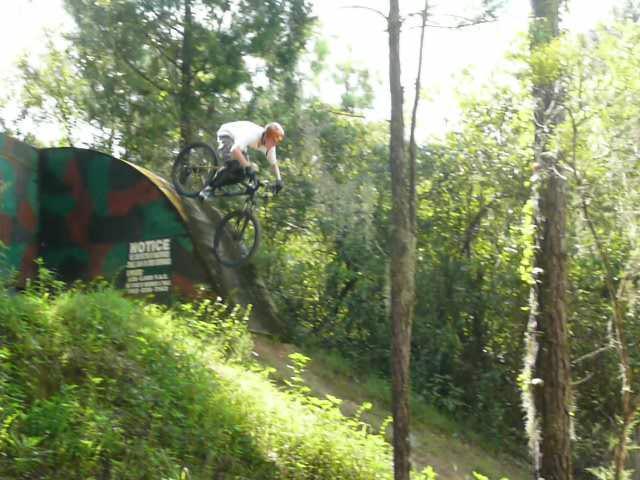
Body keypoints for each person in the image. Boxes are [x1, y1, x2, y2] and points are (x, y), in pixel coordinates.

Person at [199, 120, 285, 199]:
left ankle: (220, 181)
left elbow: (274, 164)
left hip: (238, 143)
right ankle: (208, 188)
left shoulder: (270, 146)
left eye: (276, 142)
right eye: (273, 141)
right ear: (266, 136)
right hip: (228, 134)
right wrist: (247, 167)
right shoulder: (253, 135)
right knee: (237, 165)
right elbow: (234, 150)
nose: (274, 144)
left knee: (243, 173)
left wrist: (279, 180)